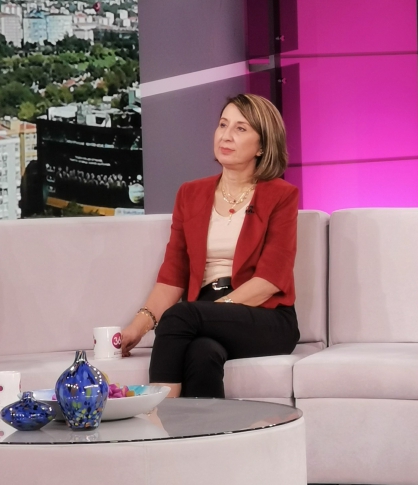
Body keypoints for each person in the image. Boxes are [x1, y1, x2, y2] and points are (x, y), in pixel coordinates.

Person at [120, 94, 299, 398]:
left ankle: (158, 416)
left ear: (262, 146)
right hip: (205, 313)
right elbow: (173, 274)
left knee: (179, 317)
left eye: (240, 129)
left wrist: (209, 313)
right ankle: (208, 428)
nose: (226, 136)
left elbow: (270, 280)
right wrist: (135, 329)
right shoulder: (190, 193)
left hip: (265, 317)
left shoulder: (281, 195)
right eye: (223, 125)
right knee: (202, 353)